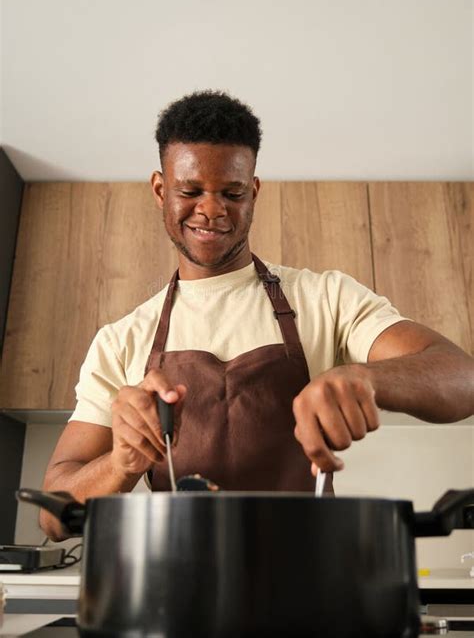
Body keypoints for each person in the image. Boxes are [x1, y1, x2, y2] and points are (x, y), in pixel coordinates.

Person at [40, 90, 474, 540]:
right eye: (190, 191)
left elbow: (463, 378)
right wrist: (121, 463)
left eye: (233, 192)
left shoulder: (326, 297)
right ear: (159, 189)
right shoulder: (121, 340)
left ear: (254, 191)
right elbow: (52, 515)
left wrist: (368, 378)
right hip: (176, 591)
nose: (211, 210)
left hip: (309, 583)